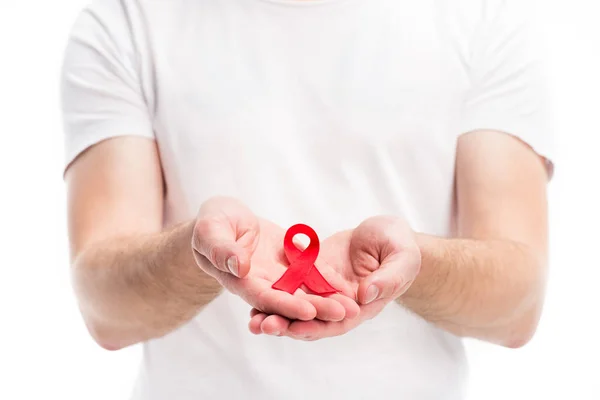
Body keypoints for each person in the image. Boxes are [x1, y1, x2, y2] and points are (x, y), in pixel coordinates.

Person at [61, 0, 553, 398]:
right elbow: (105, 313)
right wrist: (199, 254)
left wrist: (415, 264)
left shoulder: (485, 18)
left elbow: (517, 308)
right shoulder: (125, 21)